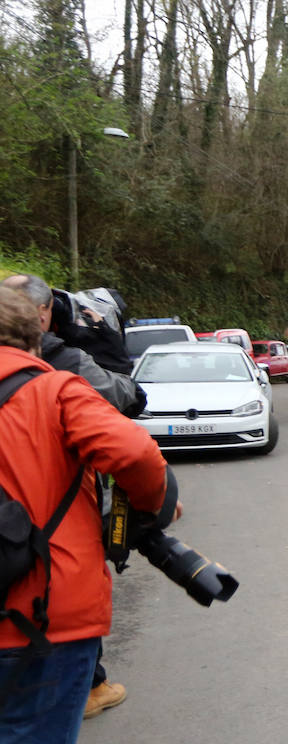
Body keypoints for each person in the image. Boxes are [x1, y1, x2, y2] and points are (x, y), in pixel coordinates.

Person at [0, 286, 170, 742]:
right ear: (37, 334)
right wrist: (147, 514)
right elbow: (135, 454)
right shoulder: (54, 391)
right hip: (41, 612)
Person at [0, 274, 138, 415]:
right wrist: (107, 343)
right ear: (42, 312)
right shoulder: (67, 361)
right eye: (51, 308)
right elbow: (127, 397)